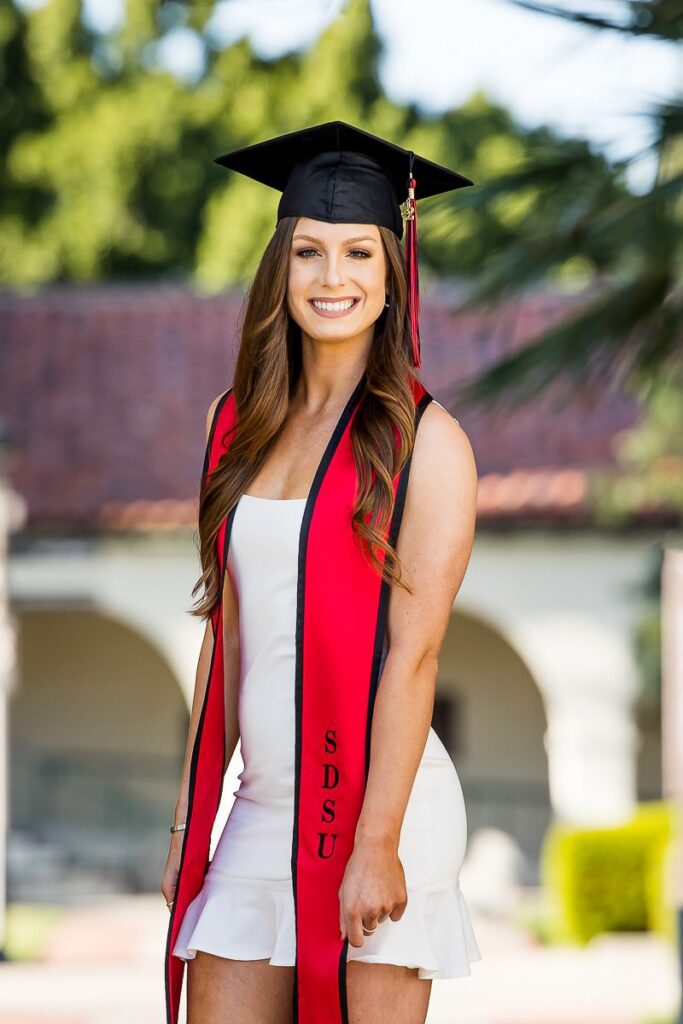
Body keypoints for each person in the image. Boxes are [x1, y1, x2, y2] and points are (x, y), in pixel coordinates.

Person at [161, 120, 482, 1024]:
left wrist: (376, 843)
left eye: (356, 254)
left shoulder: (426, 443)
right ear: (281, 269)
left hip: (379, 805)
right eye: (308, 252)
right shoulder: (237, 426)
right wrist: (190, 826)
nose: (331, 277)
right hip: (260, 808)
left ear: (392, 278)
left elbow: (413, 659)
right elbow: (223, 634)